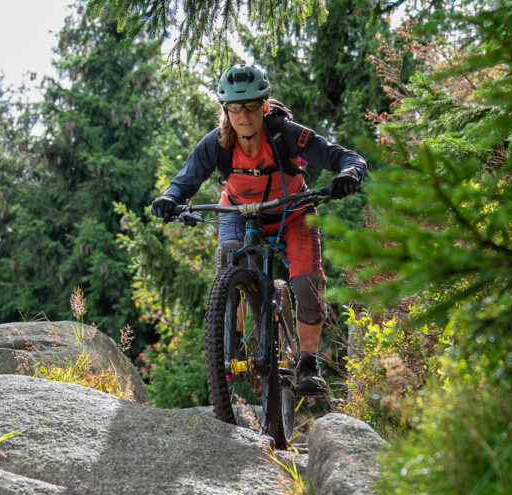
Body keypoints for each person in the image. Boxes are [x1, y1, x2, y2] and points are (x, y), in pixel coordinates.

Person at [151, 63, 366, 393]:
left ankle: (308, 363)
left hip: (292, 211)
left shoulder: (287, 134)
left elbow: (343, 157)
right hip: (239, 212)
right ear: (225, 109)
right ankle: (234, 343)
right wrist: (169, 199)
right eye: (235, 108)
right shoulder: (217, 143)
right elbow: (185, 180)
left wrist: (349, 174)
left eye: (251, 106)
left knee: (309, 281)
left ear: (264, 106)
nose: (243, 115)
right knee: (229, 254)